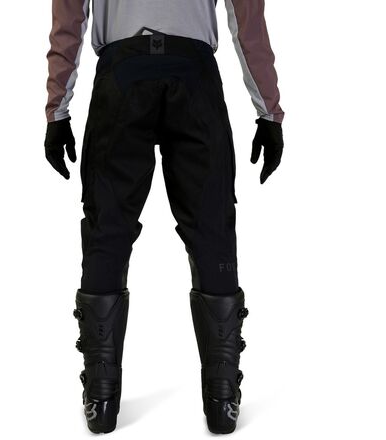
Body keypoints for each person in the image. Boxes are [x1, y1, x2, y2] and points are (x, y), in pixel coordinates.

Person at [44, 0, 284, 434]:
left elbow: (69, 15)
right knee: (212, 230)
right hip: (194, 75)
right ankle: (222, 400)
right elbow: (246, 16)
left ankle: (101, 398)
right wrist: (268, 111)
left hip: (122, 74)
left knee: (107, 232)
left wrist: (57, 109)